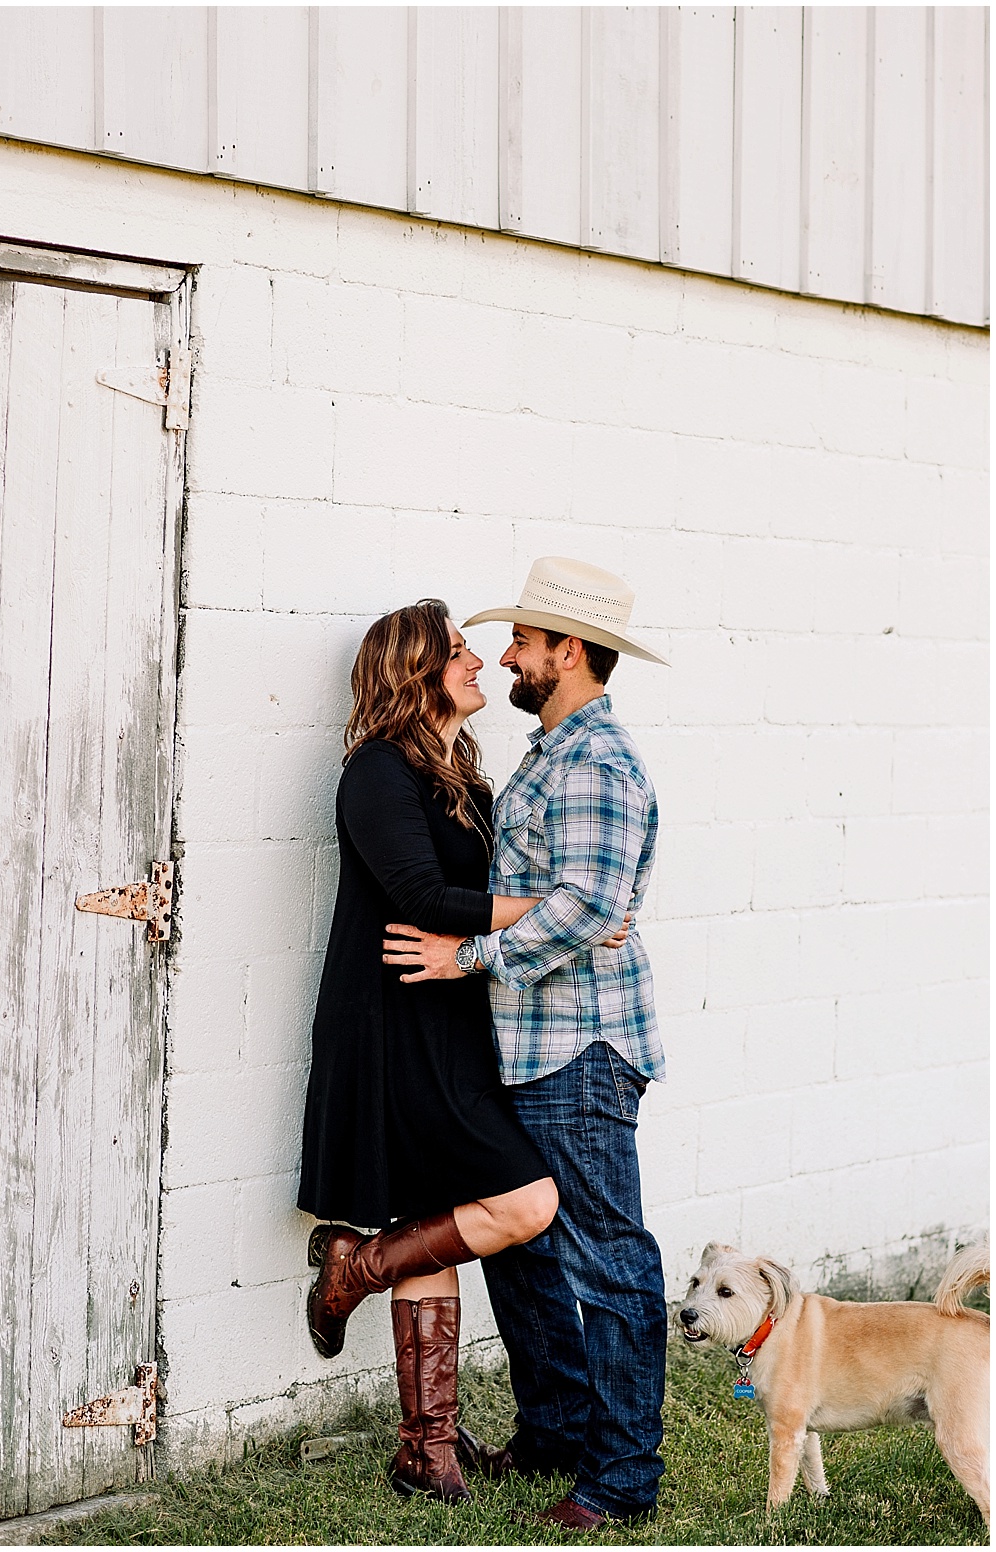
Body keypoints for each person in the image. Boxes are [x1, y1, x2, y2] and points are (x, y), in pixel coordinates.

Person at [383, 556, 668, 1532]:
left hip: (579, 1048)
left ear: (571, 654)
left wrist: (469, 954)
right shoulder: (550, 750)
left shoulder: (595, 762)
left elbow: (586, 904)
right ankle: (552, 1428)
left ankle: (621, 1477)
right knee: (524, 1251)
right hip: (526, 1044)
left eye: (523, 641)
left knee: (607, 1262)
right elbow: (586, 897)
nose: (506, 654)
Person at [299, 598, 598, 1503]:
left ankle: (424, 1453)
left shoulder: (459, 773)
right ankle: (355, 1269)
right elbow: (424, 895)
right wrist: (563, 910)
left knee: (432, 1215)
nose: (479, 665)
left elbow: (480, 892)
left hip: (454, 1019)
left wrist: (555, 910)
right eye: (459, 653)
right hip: (391, 1027)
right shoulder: (376, 772)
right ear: (414, 672)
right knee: (526, 1200)